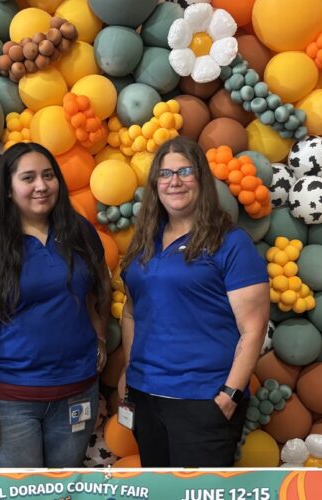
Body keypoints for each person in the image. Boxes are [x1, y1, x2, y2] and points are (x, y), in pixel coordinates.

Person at [0, 142, 110, 467]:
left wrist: (99, 335)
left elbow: (99, 285)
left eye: (48, 175)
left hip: (76, 396)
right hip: (7, 401)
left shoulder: (79, 231)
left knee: (60, 492)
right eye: (28, 177)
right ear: (7, 188)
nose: (41, 185)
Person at [118, 136, 269, 467]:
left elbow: (254, 328)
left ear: (201, 178)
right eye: (165, 173)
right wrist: (130, 371)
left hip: (204, 399)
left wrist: (229, 394)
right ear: (155, 183)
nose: (174, 181)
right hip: (146, 396)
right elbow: (130, 313)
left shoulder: (230, 243)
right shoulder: (144, 242)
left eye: (185, 171)